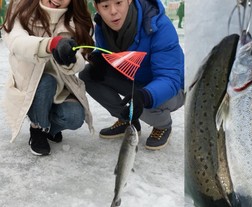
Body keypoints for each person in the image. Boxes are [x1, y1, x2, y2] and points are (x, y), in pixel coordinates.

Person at [79, 0, 184, 150]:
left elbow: (170, 78)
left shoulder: (158, 25)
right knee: (88, 74)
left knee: (147, 101)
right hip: (135, 80)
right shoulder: (103, 27)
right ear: (97, 8)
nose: (113, 11)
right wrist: (98, 59)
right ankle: (127, 119)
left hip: (173, 89)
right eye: (105, 6)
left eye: (118, 2)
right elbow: (106, 53)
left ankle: (163, 125)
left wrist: (145, 96)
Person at [1, 0, 95, 156]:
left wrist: (69, 59)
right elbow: (17, 41)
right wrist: (50, 44)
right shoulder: (20, 8)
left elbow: (79, 59)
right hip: (30, 89)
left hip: (59, 90)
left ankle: (49, 127)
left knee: (75, 117)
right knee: (46, 81)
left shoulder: (75, 20)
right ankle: (38, 128)